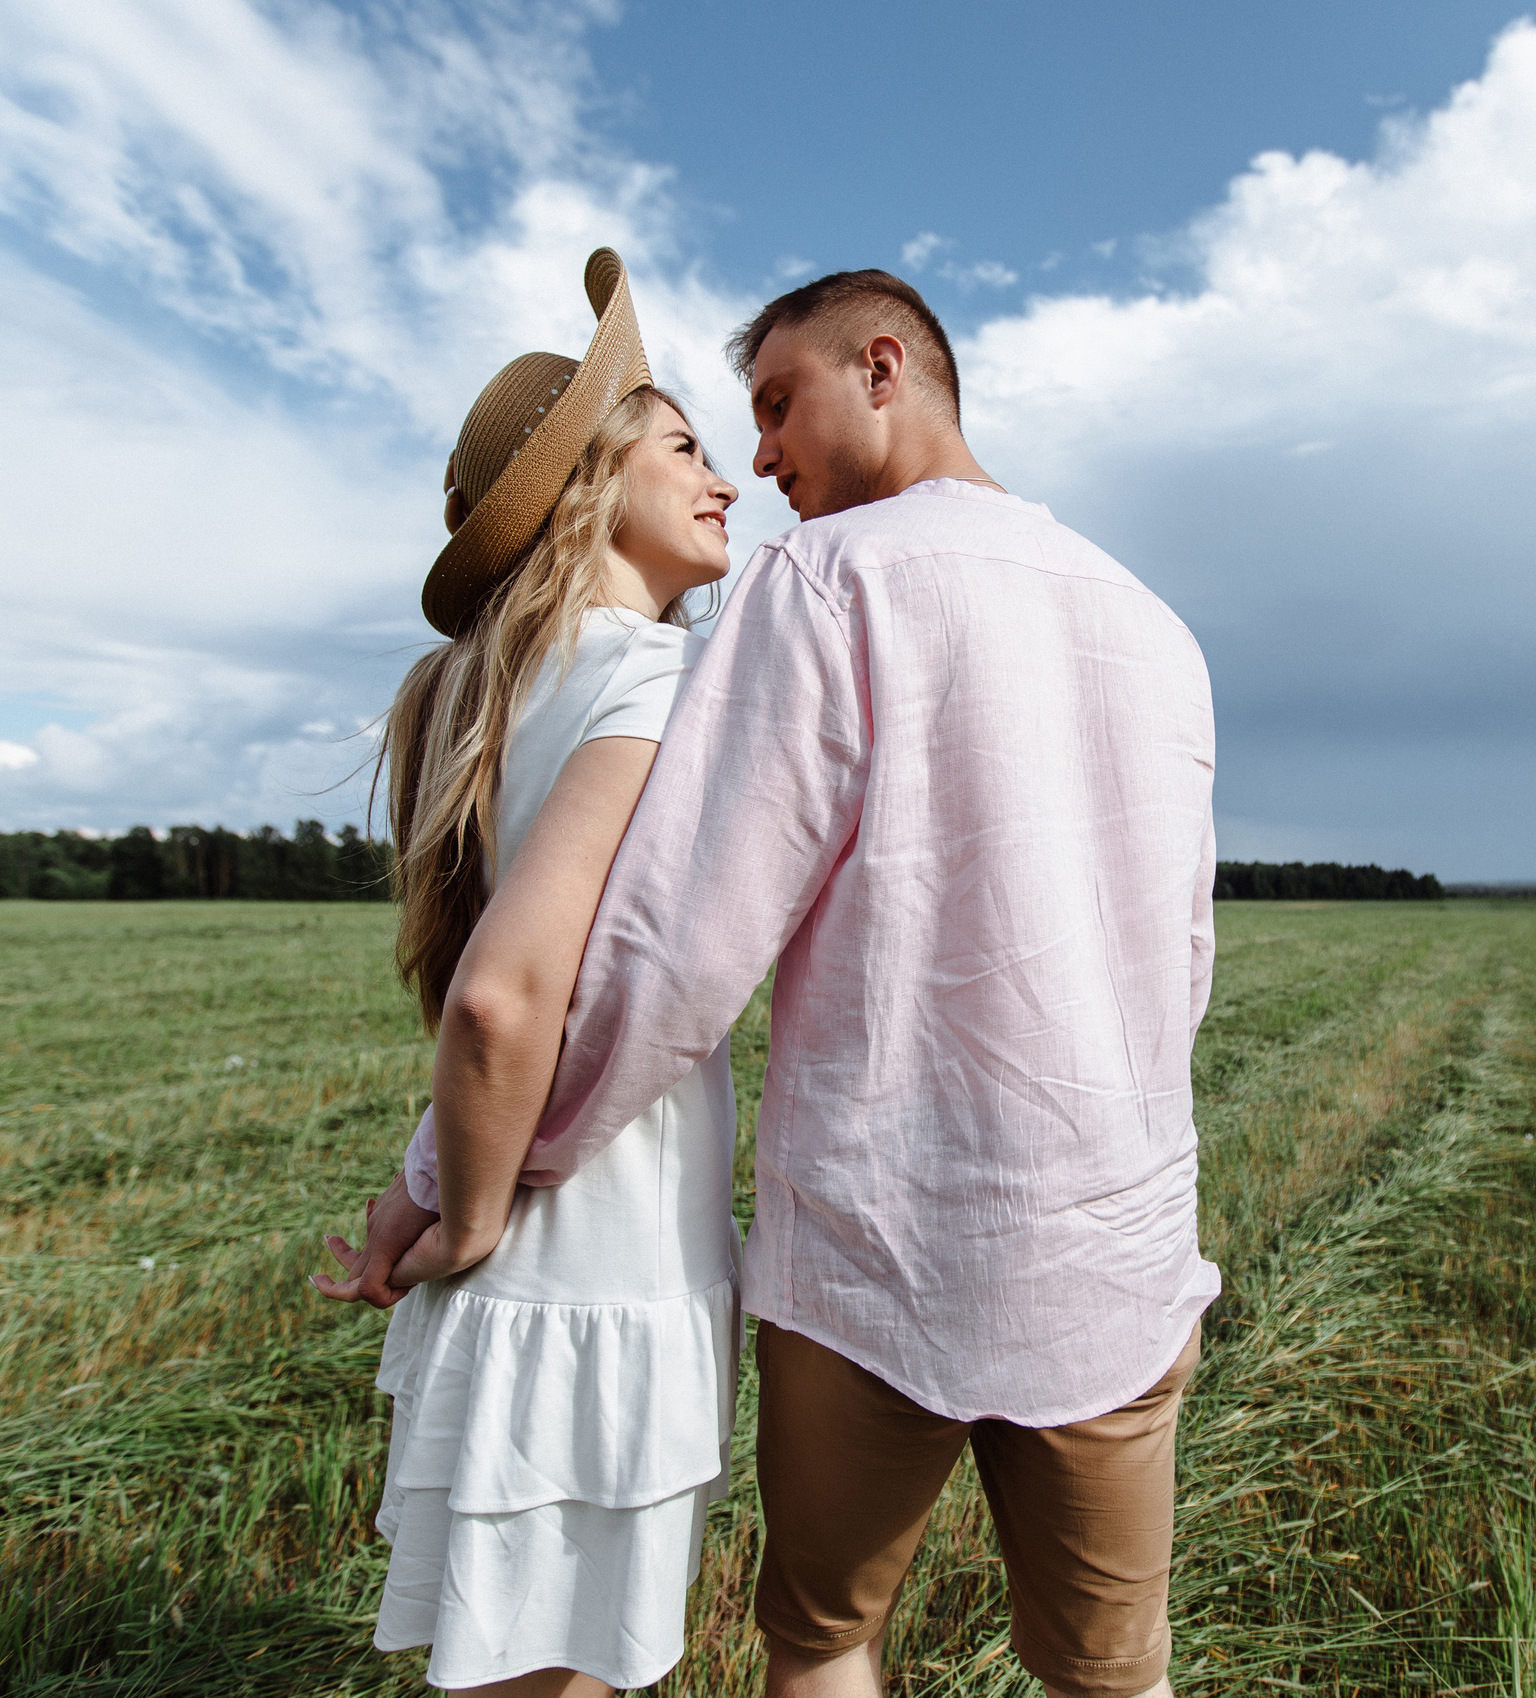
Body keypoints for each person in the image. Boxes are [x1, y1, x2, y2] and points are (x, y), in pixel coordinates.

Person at [348, 266, 1218, 1698]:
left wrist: (456, 1171)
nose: (757, 458)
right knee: (1115, 1671)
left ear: (882, 367)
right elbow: (1181, 964)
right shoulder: (1156, 627)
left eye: (772, 406)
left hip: (877, 1259)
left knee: (824, 1638)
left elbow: (675, 958)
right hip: (1111, 1257)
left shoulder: (822, 586)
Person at [312, 249, 745, 1698]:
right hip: (593, 1277)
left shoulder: (502, 691)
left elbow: (489, 1002)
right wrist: (477, 1214)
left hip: (520, 1295)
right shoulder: (650, 676)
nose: (726, 478)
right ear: (589, 487)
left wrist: (429, 1184)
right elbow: (505, 998)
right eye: (685, 445)